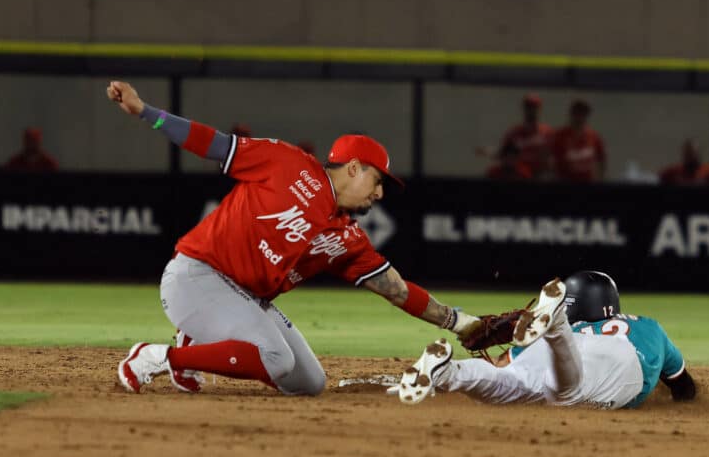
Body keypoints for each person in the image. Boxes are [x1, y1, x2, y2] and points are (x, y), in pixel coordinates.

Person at [107, 80, 483, 396]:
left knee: (308, 383)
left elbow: (397, 290)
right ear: (353, 168)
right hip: (196, 276)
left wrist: (460, 322)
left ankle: (198, 340)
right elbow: (213, 143)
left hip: (245, 299)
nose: (380, 193)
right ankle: (156, 356)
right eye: (378, 180)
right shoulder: (287, 162)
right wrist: (145, 111)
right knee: (276, 359)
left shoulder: (347, 237)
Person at [392, 272, 697, 410]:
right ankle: (556, 324)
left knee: (508, 384)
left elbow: (501, 364)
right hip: (616, 361)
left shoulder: (568, 334)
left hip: (558, 351)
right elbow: (683, 386)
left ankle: (449, 372)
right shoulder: (650, 328)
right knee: (566, 394)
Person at [490, 93, 554, 179]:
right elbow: (504, 156)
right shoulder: (513, 134)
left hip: (541, 176)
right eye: (528, 107)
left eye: (534, 107)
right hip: (519, 177)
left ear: (539, 109)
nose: (531, 110)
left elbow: (554, 157)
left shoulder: (548, 133)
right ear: (524, 109)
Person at [553, 99, 606, 182]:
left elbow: (602, 160)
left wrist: (600, 178)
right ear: (572, 114)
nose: (580, 117)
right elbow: (549, 161)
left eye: (583, 114)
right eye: (577, 113)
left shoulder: (594, 136)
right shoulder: (559, 136)